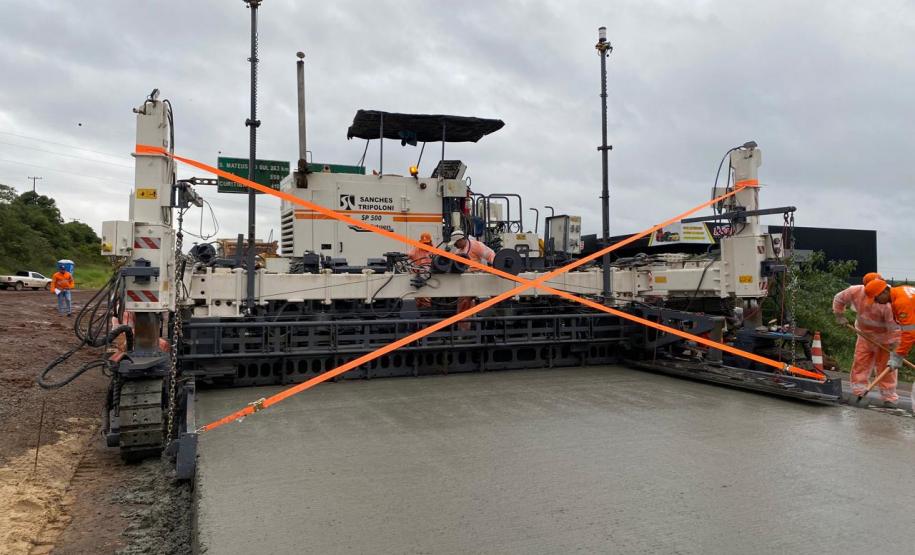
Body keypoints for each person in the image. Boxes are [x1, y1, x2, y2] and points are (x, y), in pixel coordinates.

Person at [833, 272, 900, 405]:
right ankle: (859, 392)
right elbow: (839, 299)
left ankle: (889, 397)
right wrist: (839, 315)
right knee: (861, 362)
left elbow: (894, 328)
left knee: (886, 367)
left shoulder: (888, 303)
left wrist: (894, 346)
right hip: (864, 335)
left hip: (886, 338)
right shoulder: (855, 291)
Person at [865, 280, 915, 408]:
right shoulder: (901, 291)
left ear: (884, 291)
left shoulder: (901, 302)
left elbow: (910, 334)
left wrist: (898, 356)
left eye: (876, 298)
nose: (876, 302)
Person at [451, 231, 495, 330]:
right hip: (467, 281)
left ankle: (487, 329)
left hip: (479, 279)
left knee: (485, 302)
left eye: (456, 242)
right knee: (463, 303)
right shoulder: (458, 251)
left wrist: (497, 266)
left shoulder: (475, 245)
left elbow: (490, 254)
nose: (454, 245)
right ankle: (464, 331)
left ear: (461, 240)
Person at [407, 232, 434, 309]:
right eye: (423, 243)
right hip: (417, 276)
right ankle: (419, 307)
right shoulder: (416, 249)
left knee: (427, 295)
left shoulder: (434, 250)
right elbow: (408, 255)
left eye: (426, 243)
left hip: (430, 277)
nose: (425, 245)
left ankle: (426, 308)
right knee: (417, 295)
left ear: (430, 242)